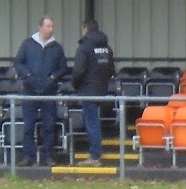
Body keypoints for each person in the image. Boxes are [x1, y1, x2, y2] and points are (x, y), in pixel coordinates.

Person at [13, 15, 66, 165]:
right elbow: (18, 62)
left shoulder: (57, 48)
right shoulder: (27, 44)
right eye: (48, 26)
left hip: (49, 92)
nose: (51, 29)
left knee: (49, 126)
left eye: (52, 26)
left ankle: (48, 156)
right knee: (28, 126)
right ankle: (27, 156)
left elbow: (63, 68)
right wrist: (28, 75)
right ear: (40, 27)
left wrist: (53, 78)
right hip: (29, 91)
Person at [71, 18, 115, 166]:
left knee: (91, 123)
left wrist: (75, 85)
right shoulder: (107, 48)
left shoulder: (84, 47)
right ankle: (95, 152)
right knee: (94, 122)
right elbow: (111, 70)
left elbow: (78, 70)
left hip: (88, 90)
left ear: (85, 29)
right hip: (102, 89)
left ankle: (94, 156)